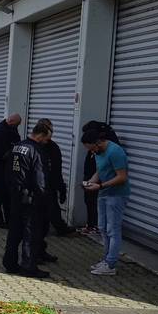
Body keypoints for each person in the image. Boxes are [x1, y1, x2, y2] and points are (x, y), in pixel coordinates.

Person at [3, 121, 52, 278]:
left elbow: (8, 168)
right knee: (31, 233)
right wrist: (44, 198)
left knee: (14, 231)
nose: (47, 142)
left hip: (15, 194)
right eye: (47, 139)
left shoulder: (17, 146)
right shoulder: (37, 151)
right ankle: (28, 266)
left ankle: (9, 263)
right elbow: (40, 178)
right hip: (30, 198)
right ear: (41, 135)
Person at [82, 128, 131, 276]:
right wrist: (90, 182)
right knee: (102, 227)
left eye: (92, 149)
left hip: (116, 195)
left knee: (112, 229)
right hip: (103, 193)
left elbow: (122, 177)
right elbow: (100, 171)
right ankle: (106, 259)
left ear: (98, 143)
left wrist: (101, 185)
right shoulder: (98, 152)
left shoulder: (115, 152)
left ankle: (110, 264)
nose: (91, 152)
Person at [80, 120, 121, 234]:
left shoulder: (110, 149)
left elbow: (108, 170)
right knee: (91, 199)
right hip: (94, 177)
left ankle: (98, 226)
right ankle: (93, 225)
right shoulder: (96, 148)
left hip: (103, 181)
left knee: (99, 201)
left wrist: (95, 182)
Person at [37, 118, 71, 241]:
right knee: (48, 210)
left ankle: (59, 227)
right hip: (42, 185)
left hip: (48, 184)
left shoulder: (52, 147)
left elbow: (57, 168)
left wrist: (61, 187)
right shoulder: (38, 146)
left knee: (51, 208)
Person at [0, 113, 22, 227]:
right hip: (1, 168)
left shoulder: (0, 129)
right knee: (5, 196)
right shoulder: (4, 132)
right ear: (12, 122)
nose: (17, 128)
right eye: (16, 125)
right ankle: (4, 220)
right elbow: (5, 152)